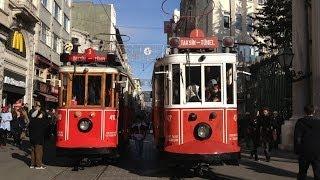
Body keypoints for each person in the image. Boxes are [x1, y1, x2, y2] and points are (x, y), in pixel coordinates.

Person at [294, 105, 320, 180]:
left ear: (304, 112)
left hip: (304, 150)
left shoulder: (300, 122)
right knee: (317, 172)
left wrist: (297, 151)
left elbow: (297, 137)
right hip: (317, 151)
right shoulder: (318, 122)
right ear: (314, 111)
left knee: (302, 172)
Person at [28, 102, 48, 169]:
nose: (41, 115)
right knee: (38, 151)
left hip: (32, 138)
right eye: (41, 114)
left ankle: (32, 164)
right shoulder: (40, 121)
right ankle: (38, 165)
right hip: (38, 138)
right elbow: (46, 126)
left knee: (33, 151)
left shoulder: (32, 121)